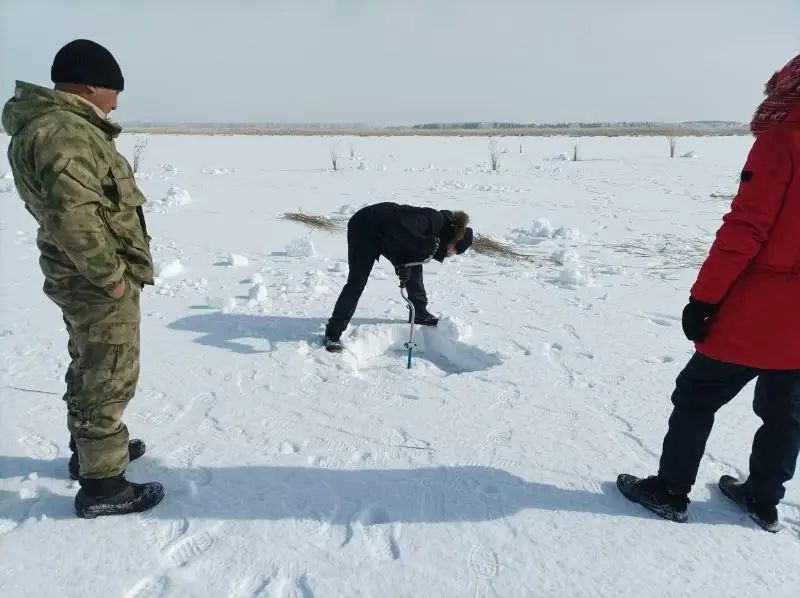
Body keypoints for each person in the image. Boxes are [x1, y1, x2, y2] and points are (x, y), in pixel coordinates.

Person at [617, 53, 800, 533]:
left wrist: (704, 299)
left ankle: (670, 490)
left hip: (761, 307)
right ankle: (762, 499)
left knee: (697, 394)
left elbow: (746, 228)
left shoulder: (782, 144)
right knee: (787, 410)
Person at [2, 39, 164, 518]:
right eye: (114, 90)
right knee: (108, 373)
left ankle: (93, 454)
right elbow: (74, 216)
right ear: (91, 84)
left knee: (92, 363)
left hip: (80, 277)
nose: (116, 101)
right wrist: (111, 276)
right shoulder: (63, 132)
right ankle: (104, 487)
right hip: (93, 280)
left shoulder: (57, 126)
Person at [323, 201, 473, 352]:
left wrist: (402, 265)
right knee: (357, 282)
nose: (451, 253)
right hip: (366, 226)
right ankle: (333, 333)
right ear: (455, 238)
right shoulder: (433, 220)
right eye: (454, 249)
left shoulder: (437, 236)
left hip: (386, 234)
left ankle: (420, 312)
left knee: (414, 266)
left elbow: (405, 248)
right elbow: (399, 225)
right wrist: (421, 243)